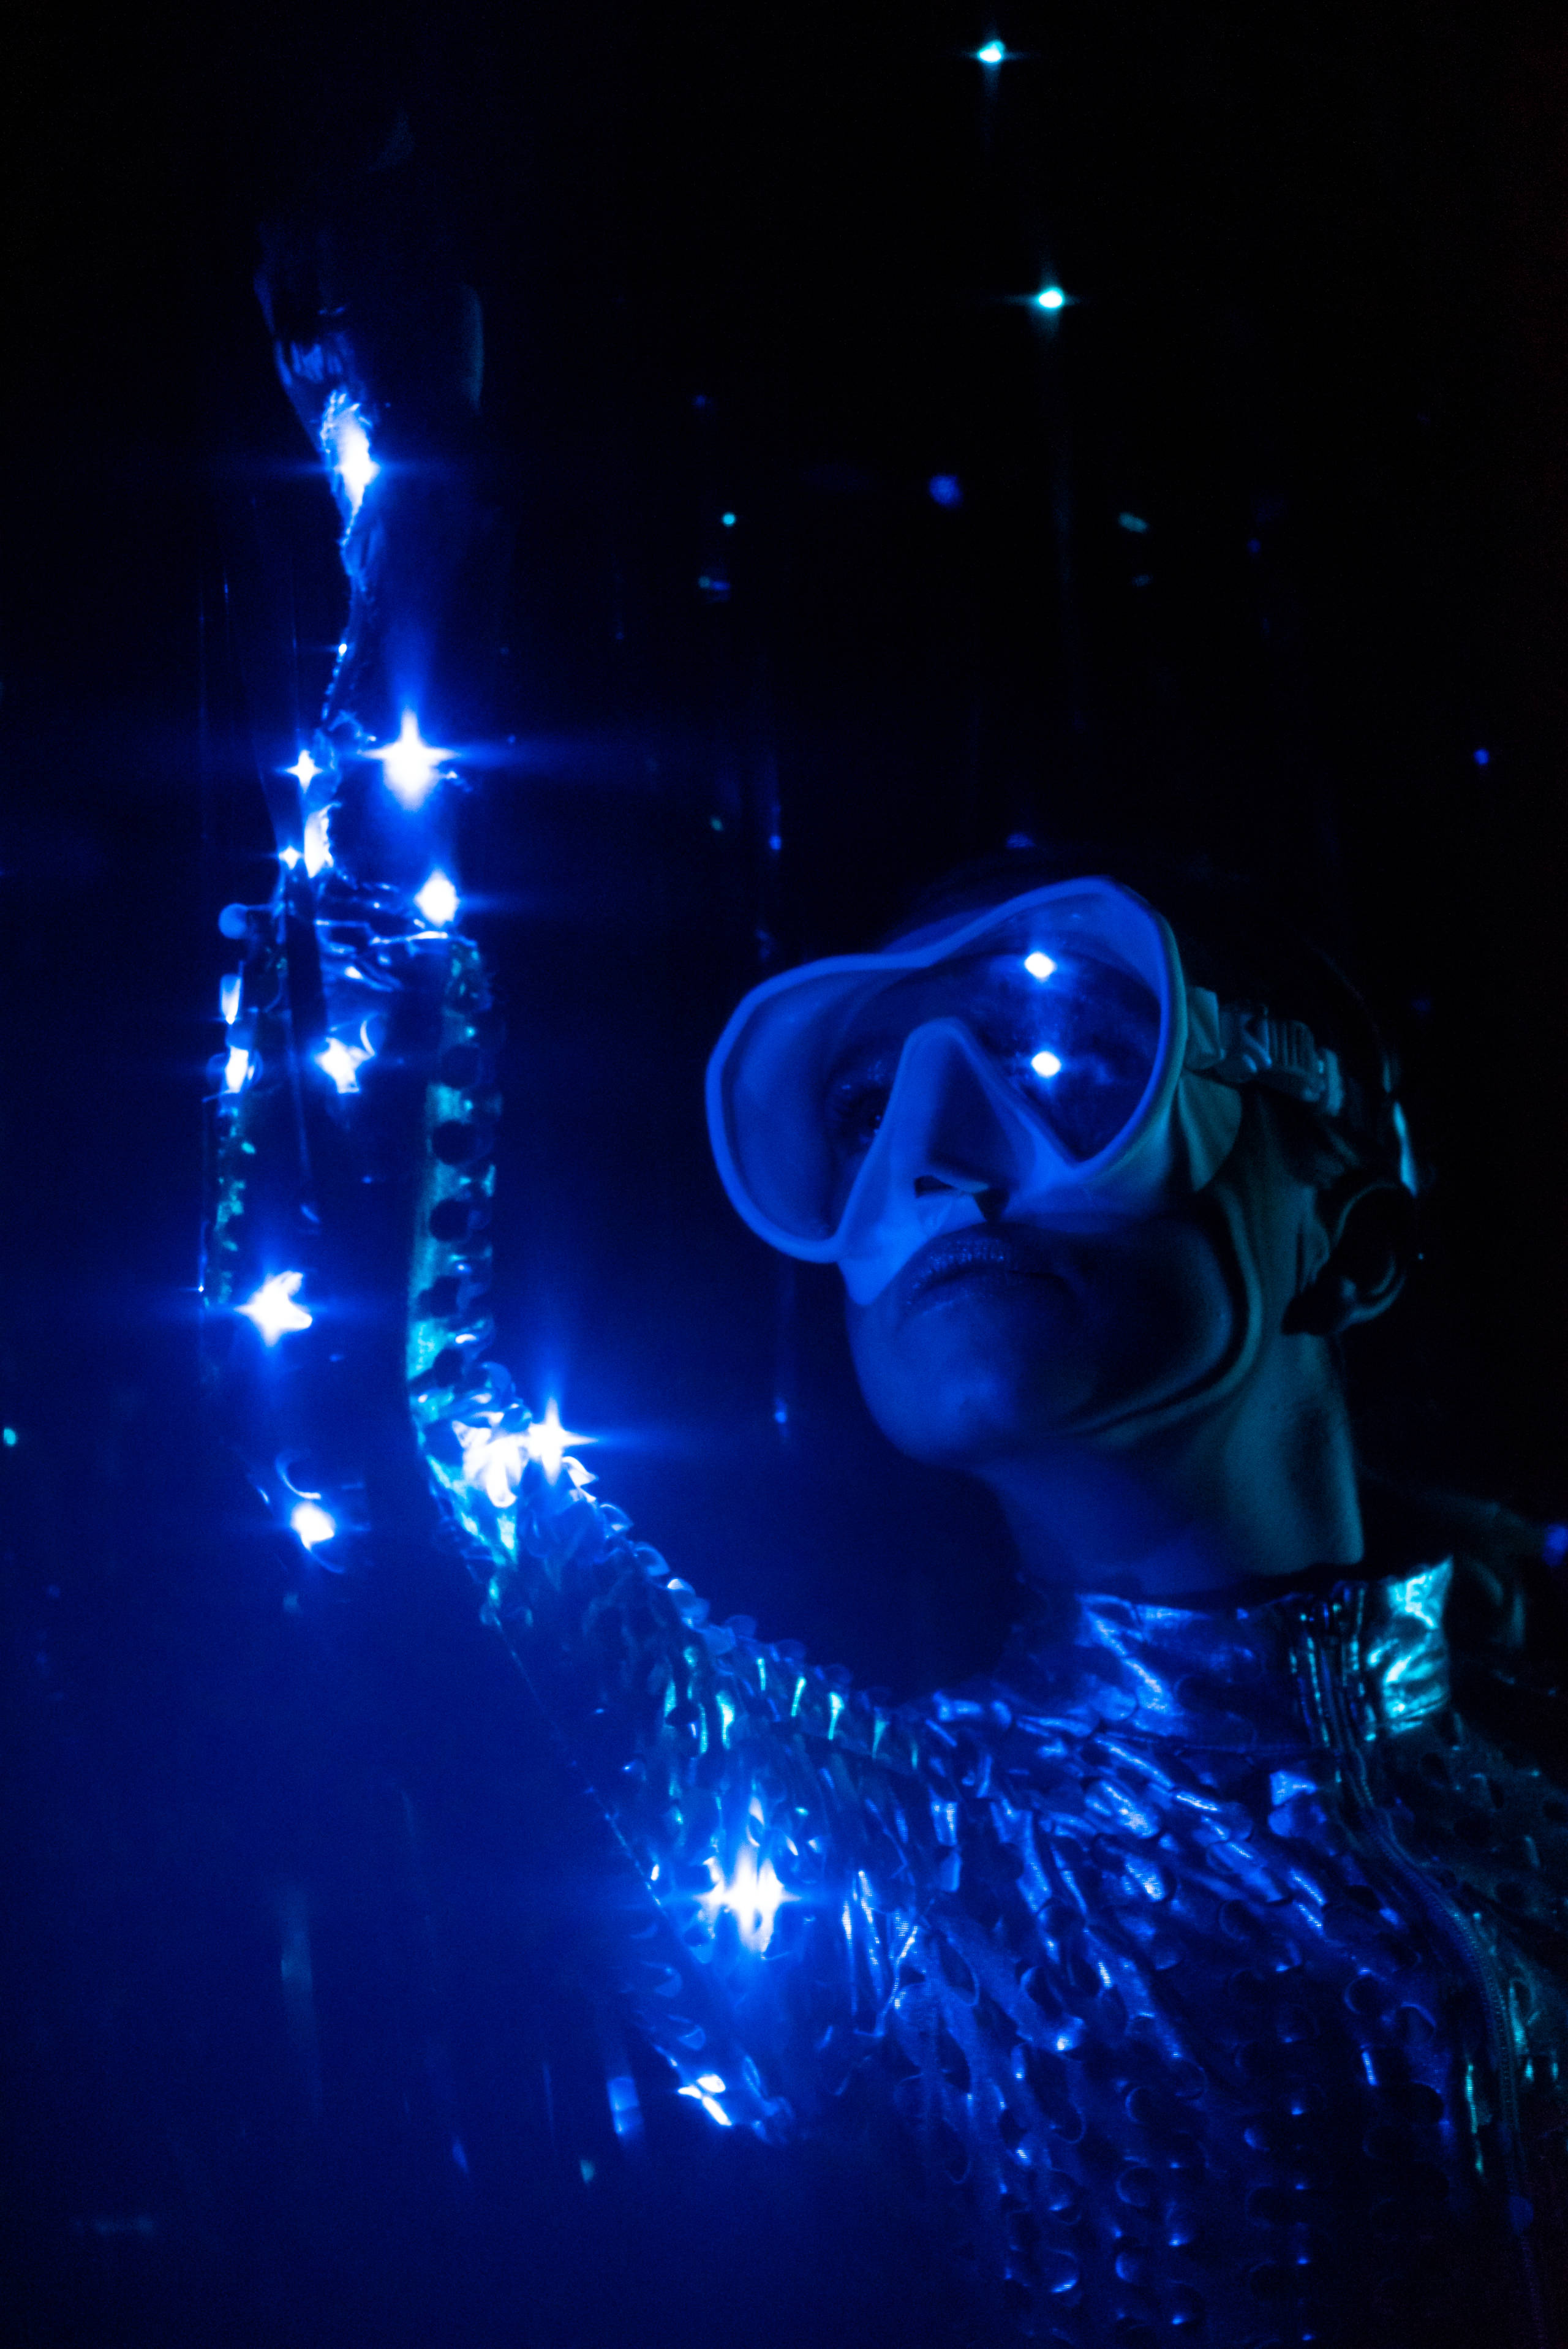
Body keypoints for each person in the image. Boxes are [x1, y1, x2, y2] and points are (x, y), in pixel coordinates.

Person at [407, 843, 1568, 2349]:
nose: (931, 1164)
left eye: (1060, 1056)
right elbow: (393, 1448)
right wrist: (381, 1101)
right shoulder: (886, 1870)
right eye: (860, 1114)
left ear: (1348, 1244)